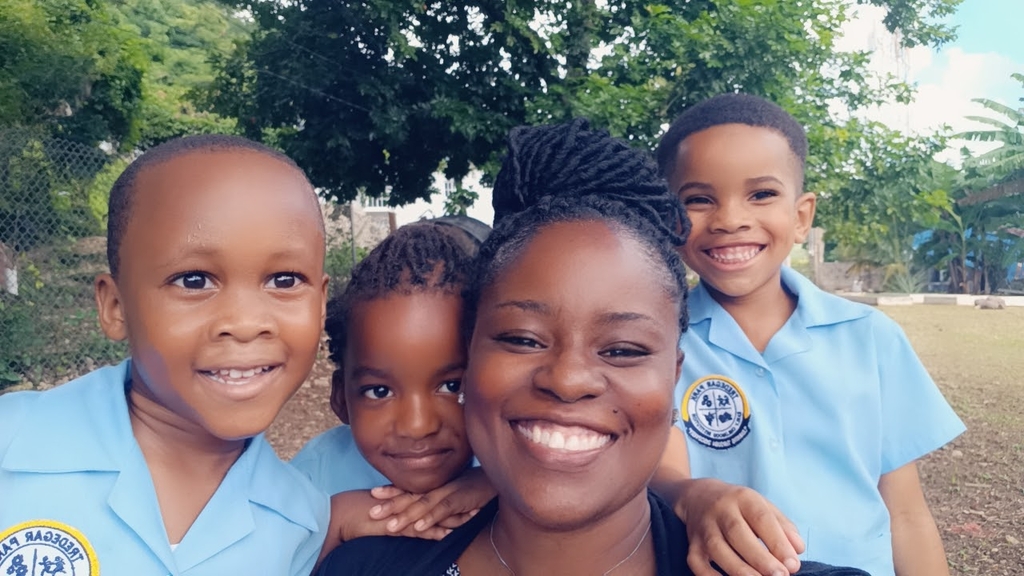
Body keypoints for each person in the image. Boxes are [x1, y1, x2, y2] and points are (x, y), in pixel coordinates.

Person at [315, 119, 870, 576]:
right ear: (472, 354)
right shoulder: (356, 562)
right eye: (522, 339)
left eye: (623, 350)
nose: (568, 378)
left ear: (674, 376)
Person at [655, 93, 965, 576]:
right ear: (669, 220)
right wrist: (691, 494)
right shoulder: (658, 344)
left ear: (801, 216)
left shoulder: (871, 339)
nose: (731, 219)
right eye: (699, 199)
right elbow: (659, 471)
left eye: (761, 194)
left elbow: (906, 514)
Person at [0, 135, 330, 575]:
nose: (247, 323)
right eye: (194, 281)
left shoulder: (301, 522)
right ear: (116, 306)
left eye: (284, 280)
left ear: (321, 303)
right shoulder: (12, 441)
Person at [291, 219, 495, 559]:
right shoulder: (311, 480)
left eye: (451, 385)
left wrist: (497, 485)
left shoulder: (509, 463)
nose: (418, 426)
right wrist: (335, 522)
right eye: (379, 392)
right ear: (341, 399)